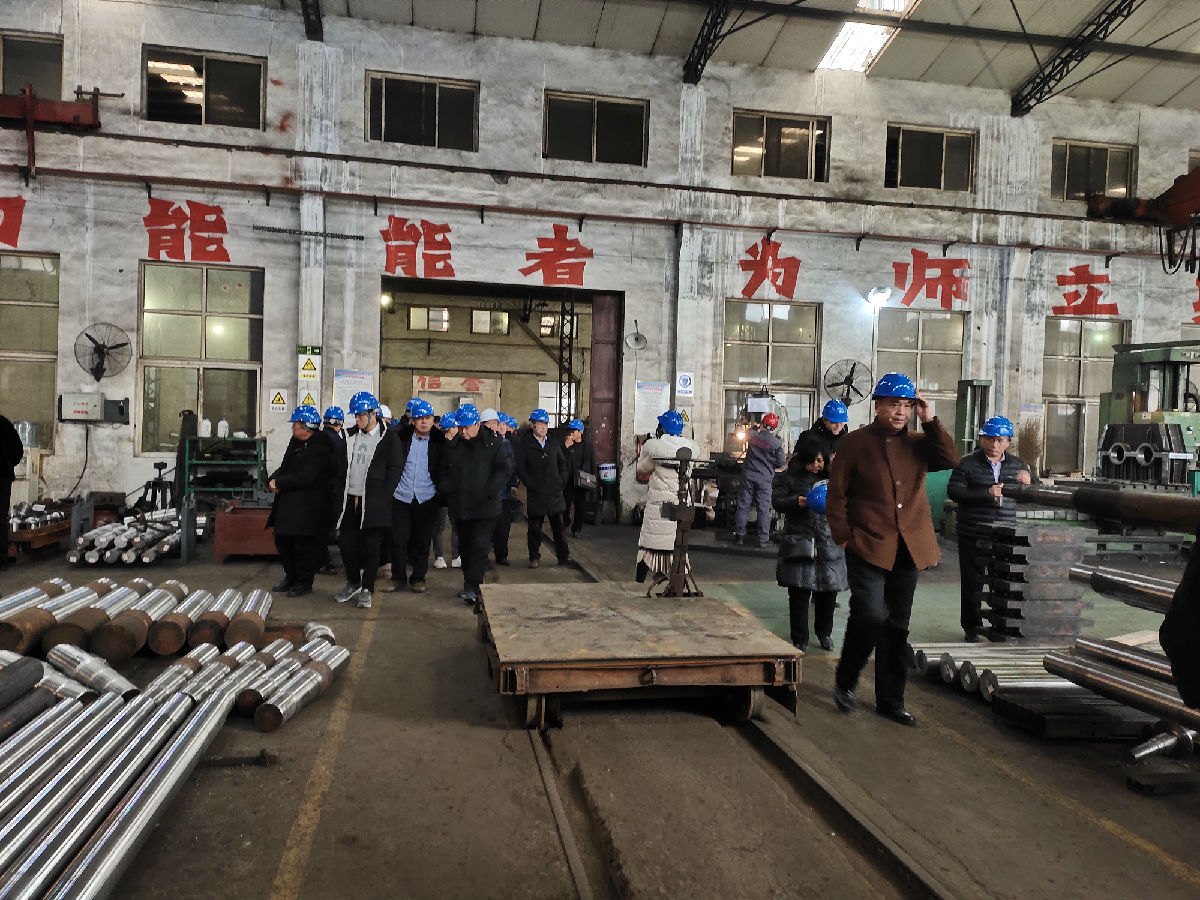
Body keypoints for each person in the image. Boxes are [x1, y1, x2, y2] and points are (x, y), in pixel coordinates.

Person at [826, 372, 959, 727]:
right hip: (867, 543)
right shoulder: (855, 443)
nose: (900, 412)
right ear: (877, 406)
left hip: (908, 547)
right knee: (870, 615)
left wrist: (930, 420)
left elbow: (950, 458)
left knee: (897, 626)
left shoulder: (919, 443)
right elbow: (837, 494)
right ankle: (846, 679)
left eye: (906, 406)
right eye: (893, 405)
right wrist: (843, 534)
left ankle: (890, 700)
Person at [947, 415, 1033, 642]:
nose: (994, 444)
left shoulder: (1018, 465)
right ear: (981, 439)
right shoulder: (967, 464)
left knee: (1004, 582)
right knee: (972, 584)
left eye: (1000, 440)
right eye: (990, 439)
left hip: (1005, 535)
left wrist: (1029, 482)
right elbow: (955, 492)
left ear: (1008, 442)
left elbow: (1034, 493)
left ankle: (1001, 628)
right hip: (973, 533)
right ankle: (972, 628)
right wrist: (987, 493)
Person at [772, 437, 847, 652]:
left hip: (828, 542)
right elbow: (777, 501)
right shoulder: (788, 478)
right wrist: (797, 502)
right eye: (812, 461)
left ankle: (824, 633)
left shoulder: (834, 478)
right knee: (799, 593)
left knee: (828, 593)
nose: (816, 465)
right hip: (800, 541)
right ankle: (800, 638)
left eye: (820, 461)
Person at [439, 404, 511, 604]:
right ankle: (469, 582)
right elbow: (443, 472)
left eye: (467, 427)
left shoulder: (492, 445)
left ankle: (473, 587)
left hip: (485, 508)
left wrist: (489, 491)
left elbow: (503, 470)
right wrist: (448, 488)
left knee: (479, 546)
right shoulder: (453, 447)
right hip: (461, 508)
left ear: (477, 425)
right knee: (465, 547)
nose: (463, 431)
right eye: (460, 427)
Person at [375, 398, 446, 595]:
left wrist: (441, 491)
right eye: (420, 418)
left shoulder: (440, 442)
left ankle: (418, 578)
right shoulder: (400, 439)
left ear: (432, 420)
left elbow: (445, 469)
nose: (424, 422)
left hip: (427, 498)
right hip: (401, 497)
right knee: (398, 540)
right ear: (413, 421)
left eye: (428, 418)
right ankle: (398, 578)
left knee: (422, 541)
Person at [266, 405, 335, 598]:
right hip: (288, 503)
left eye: (295, 424)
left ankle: (304, 582)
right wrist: (272, 479)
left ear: (307, 427)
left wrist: (280, 482)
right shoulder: (295, 443)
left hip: (308, 507)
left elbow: (307, 476)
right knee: (282, 539)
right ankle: (291, 576)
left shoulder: (321, 448)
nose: (292, 428)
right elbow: (286, 467)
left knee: (304, 546)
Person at [333, 391, 389, 609]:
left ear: (373, 414)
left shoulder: (387, 438)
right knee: (346, 543)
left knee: (372, 546)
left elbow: (395, 469)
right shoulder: (349, 436)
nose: (357, 419)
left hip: (373, 501)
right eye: (355, 415)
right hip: (351, 499)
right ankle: (353, 582)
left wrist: (384, 495)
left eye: (360, 415)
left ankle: (367, 588)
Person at [635, 410, 700, 583]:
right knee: (675, 541)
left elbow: (641, 469)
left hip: (659, 506)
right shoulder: (689, 450)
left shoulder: (656, 449)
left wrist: (644, 451)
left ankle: (641, 577)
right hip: (680, 505)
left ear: (661, 428)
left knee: (650, 541)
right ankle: (677, 576)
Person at [515, 408, 571, 567]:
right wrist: (531, 484)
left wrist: (561, 480)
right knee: (534, 528)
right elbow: (520, 468)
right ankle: (534, 557)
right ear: (532, 425)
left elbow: (562, 463)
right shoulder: (525, 445)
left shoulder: (553, 443)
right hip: (537, 493)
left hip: (554, 492)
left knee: (559, 528)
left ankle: (563, 556)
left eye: (545, 424)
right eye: (540, 424)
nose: (543, 427)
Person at [733, 412, 785, 547]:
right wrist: (770, 461)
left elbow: (747, 432)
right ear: (774, 428)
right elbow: (781, 463)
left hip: (748, 476)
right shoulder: (776, 443)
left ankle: (739, 536)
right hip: (764, 479)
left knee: (743, 505)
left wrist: (755, 426)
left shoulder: (752, 436)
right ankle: (763, 540)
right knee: (763, 509)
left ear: (762, 424)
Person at [482, 409, 515, 566]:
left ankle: (501, 555)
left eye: (499, 424)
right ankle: (484, 556)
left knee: (503, 527)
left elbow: (511, 465)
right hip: (488, 493)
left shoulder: (506, 443)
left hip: (504, 492)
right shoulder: (482, 443)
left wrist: (513, 484)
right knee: (486, 528)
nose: (498, 427)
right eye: (494, 424)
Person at [432, 411, 460, 569]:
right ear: (450, 428)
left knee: (456, 525)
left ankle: (456, 556)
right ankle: (439, 556)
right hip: (440, 492)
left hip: (454, 492)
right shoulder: (438, 446)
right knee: (439, 526)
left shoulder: (460, 445)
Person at [561, 418, 596, 539]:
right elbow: (559, 458)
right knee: (565, 504)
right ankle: (565, 521)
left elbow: (592, 463)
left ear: (580, 432)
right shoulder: (567, 444)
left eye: (574, 431)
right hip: (568, 479)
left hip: (582, 480)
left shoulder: (588, 447)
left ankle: (577, 528)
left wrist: (594, 481)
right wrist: (565, 447)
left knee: (580, 506)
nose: (571, 433)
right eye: (570, 430)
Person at [0, 413, 23, 574]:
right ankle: (1, 561)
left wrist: (7, 464)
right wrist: (8, 463)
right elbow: (17, 451)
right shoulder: (4, 423)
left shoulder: (3, 424)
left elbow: (17, 450)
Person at [802, 399, 848, 465]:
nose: (838, 426)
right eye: (834, 422)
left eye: (841, 422)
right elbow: (805, 460)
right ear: (825, 420)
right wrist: (828, 458)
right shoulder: (813, 435)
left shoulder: (844, 430)